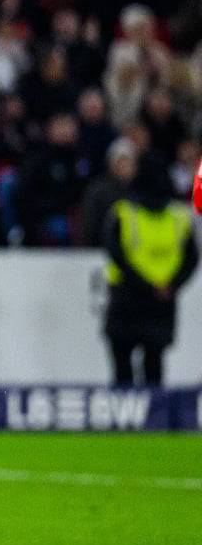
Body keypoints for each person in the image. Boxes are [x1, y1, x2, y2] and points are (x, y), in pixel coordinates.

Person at [102, 160, 198, 386]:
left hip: (126, 296)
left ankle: (124, 415)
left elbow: (115, 253)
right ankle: (154, 416)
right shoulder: (180, 216)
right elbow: (192, 258)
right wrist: (170, 285)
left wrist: (144, 285)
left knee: (122, 362)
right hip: (162, 299)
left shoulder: (123, 212)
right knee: (154, 362)